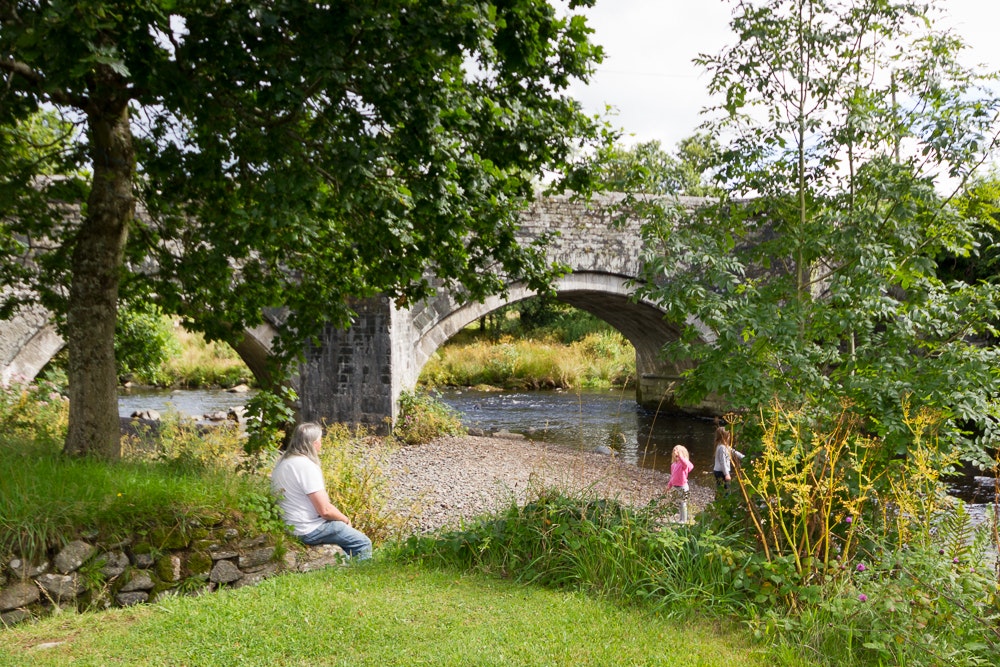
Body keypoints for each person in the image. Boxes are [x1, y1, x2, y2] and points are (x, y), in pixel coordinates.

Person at [270, 422, 372, 559]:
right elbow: (325, 510)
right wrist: (346, 520)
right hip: (307, 528)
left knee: (344, 547)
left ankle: (346, 569)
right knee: (362, 543)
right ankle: (361, 577)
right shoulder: (306, 466)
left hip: (289, 525)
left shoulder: (283, 462)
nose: (321, 444)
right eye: (320, 440)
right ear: (313, 443)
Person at [668, 444, 694, 523]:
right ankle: (681, 519)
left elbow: (685, 463)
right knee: (679, 504)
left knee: (683, 503)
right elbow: (672, 477)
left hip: (683, 487)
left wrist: (680, 456)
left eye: (678, 452)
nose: (676, 453)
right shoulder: (673, 465)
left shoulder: (683, 465)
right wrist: (669, 486)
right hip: (676, 487)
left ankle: (684, 520)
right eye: (674, 451)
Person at [713, 426, 744, 491]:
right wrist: (726, 474)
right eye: (728, 436)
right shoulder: (722, 448)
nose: (730, 437)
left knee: (721, 489)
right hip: (721, 472)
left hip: (720, 471)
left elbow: (734, 452)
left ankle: (718, 499)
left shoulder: (724, 446)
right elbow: (723, 462)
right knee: (725, 490)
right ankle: (719, 500)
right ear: (724, 437)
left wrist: (745, 458)